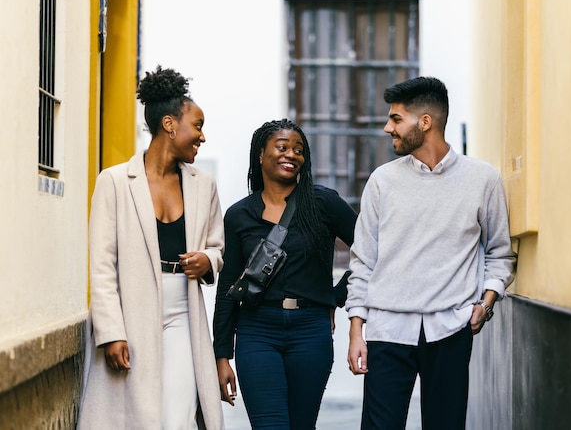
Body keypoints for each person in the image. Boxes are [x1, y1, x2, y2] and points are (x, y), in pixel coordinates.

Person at [346, 76, 517, 430]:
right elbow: (363, 260)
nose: (386, 127)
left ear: (425, 122)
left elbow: (500, 254)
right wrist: (356, 330)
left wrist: (485, 303)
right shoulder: (382, 181)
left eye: (396, 119)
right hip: (388, 330)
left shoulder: (482, 179)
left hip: (451, 329)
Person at [78, 66, 225, 429]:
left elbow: (218, 248)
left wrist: (208, 260)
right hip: (132, 310)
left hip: (183, 313)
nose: (202, 136)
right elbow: (102, 264)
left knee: (178, 414)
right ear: (170, 124)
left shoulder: (203, 185)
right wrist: (111, 331)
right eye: (198, 125)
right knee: (137, 415)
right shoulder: (114, 181)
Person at [213, 118, 357, 429]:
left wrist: (335, 296)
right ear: (261, 155)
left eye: (299, 150)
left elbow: (371, 249)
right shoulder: (239, 215)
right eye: (282, 147)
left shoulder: (323, 203)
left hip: (310, 331)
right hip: (256, 331)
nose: (291, 154)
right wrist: (221, 355)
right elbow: (228, 285)